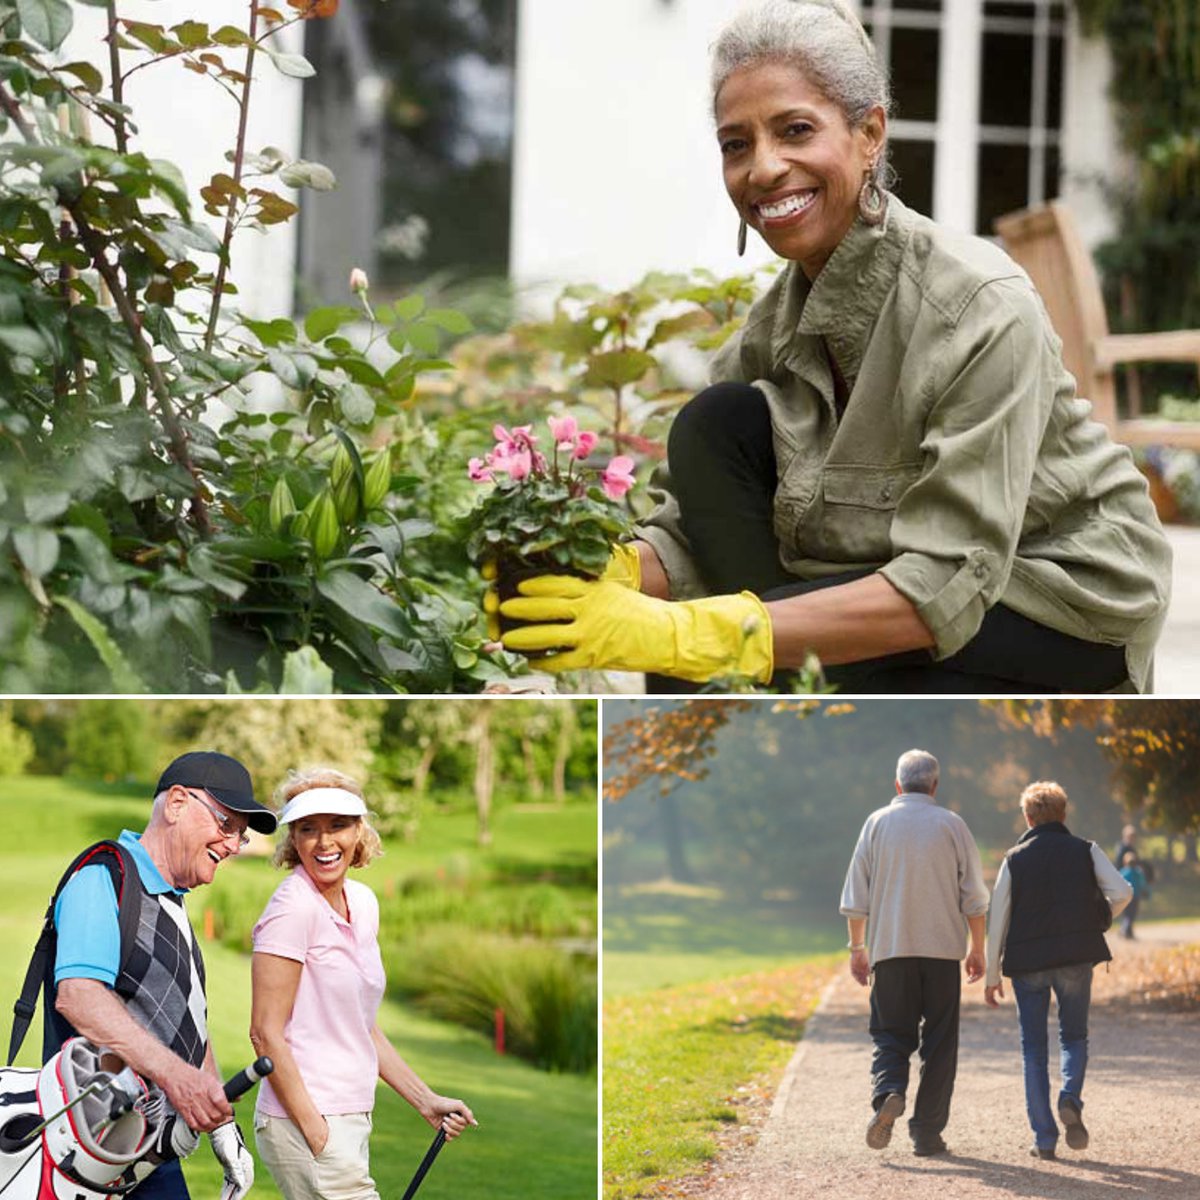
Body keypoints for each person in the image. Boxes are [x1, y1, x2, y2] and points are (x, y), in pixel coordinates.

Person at [496, 0, 1171, 694]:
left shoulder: (978, 306)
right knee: (716, 424)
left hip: (1054, 598)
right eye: (736, 144)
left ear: (869, 133)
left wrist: (686, 634)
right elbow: (690, 532)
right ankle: (773, 717)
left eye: (795, 130)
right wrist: (598, 575)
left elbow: (946, 579)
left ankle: (780, 717)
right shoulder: (772, 324)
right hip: (895, 579)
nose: (763, 168)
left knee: (711, 650)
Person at [51, 750, 279, 1200]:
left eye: (241, 835)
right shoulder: (104, 876)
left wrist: (222, 1128)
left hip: (148, 1156)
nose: (234, 845)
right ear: (176, 803)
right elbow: (78, 996)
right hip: (92, 1153)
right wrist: (178, 1079)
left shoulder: (170, 900)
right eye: (225, 825)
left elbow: (186, 1022)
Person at [249, 768, 476, 1200]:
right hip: (307, 1120)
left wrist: (425, 1100)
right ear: (293, 840)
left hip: (351, 1116)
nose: (324, 842)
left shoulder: (364, 903)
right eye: (308, 829)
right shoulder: (292, 909)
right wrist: (315, 1130)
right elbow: (264, 1033)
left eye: (338, 825)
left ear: (359, 831)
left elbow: (361, 1024)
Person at [839, 749, 988, 1156]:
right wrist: (978, 949)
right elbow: (974, 897)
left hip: (891, 952)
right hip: (942, 956)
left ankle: (889, 1092)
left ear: (897, 785)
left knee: (890, 1034)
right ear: (935, 785)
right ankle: (926, 1134)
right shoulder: (952, 825)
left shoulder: (877, 823)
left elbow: (856, 896)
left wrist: (857, 948)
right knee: (940, 1044)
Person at [984, 781, 1131, 1160]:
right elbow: (1123, 892)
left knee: (1033, 1049)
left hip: (1028, 964)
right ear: (1064, 815)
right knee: (1074, 1037)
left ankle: (1044, 1139)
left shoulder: (1014, 858)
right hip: (1075, 957)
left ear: (1028, 818)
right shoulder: (1085, 850)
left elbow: (997, 915)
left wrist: (992, 973)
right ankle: (1070, 1099)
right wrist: (1099, 918)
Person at [1117, 848, 1150, 939]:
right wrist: (1146, 892)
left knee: (1127, 915)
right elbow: (1143, 883)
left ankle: (1127, 931)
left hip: (1126, 896)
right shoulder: (1138, 872)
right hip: (1135, 897)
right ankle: (1125, 930)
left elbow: (1119, 883)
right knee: (1131, 915)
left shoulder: (1123, 872)